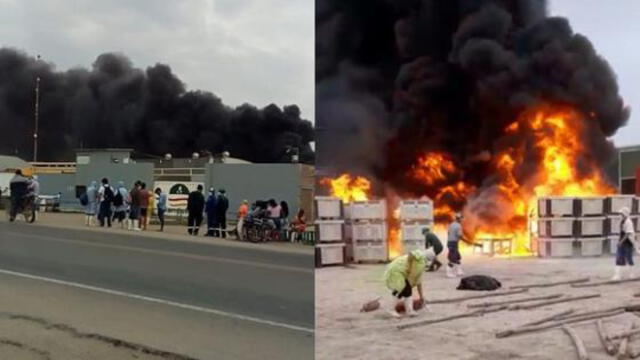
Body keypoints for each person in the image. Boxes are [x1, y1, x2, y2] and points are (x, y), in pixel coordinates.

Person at [383, 249, 433, 318]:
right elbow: (411, 253)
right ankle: (391, 309)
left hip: (399, 270)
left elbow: (419, 282)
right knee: (400, 289)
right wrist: (409, 266)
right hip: (397, 270)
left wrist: (421, 296)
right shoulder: (421, 258)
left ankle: (409, 310)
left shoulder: (421, 263)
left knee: (407, 290)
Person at [613, 207, 638, 280]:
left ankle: (631, 274)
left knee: (629, 258)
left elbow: (627, 234)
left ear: (625, 214)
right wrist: (619, 241)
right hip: (622, 242)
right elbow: (621, 233)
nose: (620, 215)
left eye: (621, 214)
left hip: (628, 242)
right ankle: (617, 275)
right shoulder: (622, 221)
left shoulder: (628, 222)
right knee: (619, 257)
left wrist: (620, 242)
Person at [446, 213, 469, 278]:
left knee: (458, 257)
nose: (462, 220)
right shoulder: (458, 226)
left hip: (450, 242)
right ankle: (449, 273)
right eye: (462, 219)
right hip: (453, 243)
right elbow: (460, 235)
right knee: (452, 259)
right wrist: (466, 241)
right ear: (459, 219)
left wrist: (451, 238)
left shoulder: (451, 225)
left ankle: (459, 271)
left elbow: (448, 233)